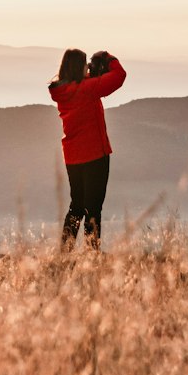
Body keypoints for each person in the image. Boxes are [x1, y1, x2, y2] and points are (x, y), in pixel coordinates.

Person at [48, 48, 126, 250]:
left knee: (76, 207)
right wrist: (109, 58)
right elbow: (119, 77)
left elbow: (84, 82)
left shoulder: (63, 91)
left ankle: (65, 252)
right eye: (85, 65)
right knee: (93, 209)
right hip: (94, 156)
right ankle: (92, 254)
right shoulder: (87, 89)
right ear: (78, 68)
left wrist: (92, 72)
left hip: (73, 157)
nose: (88, 68)